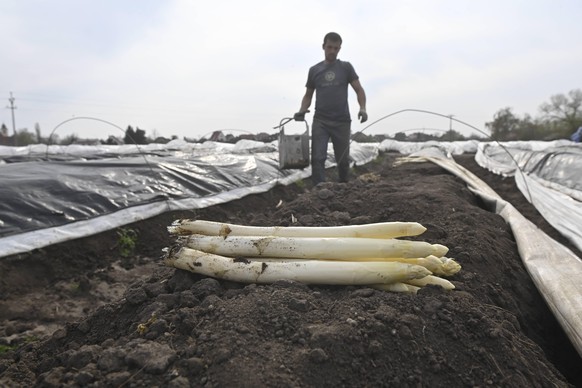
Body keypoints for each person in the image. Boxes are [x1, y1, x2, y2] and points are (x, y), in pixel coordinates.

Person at [294, 32, 367, 185]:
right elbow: (308, 95)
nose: (332, 51)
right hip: (321, 121)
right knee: (318, 158)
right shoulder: (314, 70)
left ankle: (344, 188)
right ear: (323, 47)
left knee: (343, 160)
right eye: (329, 47)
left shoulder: (346, 67)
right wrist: (302, 110)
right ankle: (319, 192)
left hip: (342, 121)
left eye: (336, 48)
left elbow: (359, 89)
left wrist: (363, 108)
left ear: (340, 48)